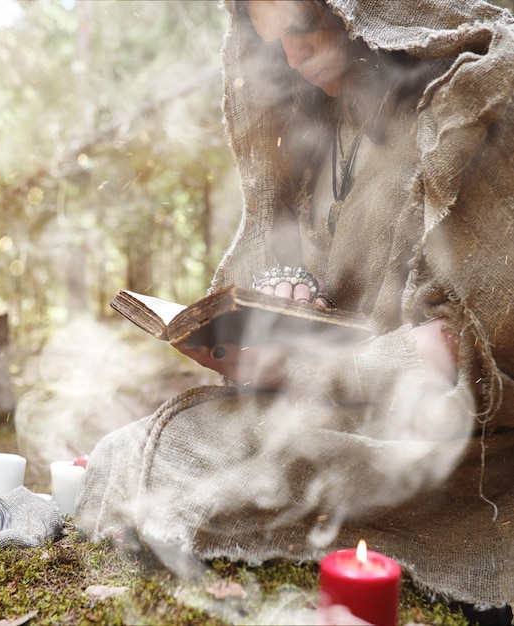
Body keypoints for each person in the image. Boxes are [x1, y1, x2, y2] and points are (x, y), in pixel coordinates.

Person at [77, 0, 514, 617]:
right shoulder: (323, 128)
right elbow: (321, 270)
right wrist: (286, 298)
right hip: (325, 411)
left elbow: (454, 350)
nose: (289, 57)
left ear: (369, 13)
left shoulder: (466, 107)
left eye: (304, 31)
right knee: (128, 453)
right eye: (271, 42)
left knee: (167, 468)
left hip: (435, 440)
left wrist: (304, 370)